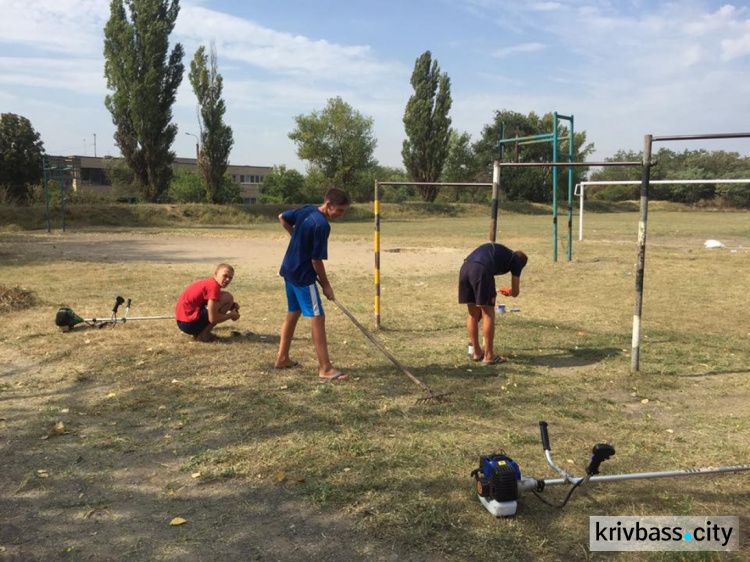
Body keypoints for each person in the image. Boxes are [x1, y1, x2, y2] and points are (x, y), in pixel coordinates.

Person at [275, 188, 351, 381]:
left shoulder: (307, 210)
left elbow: (282, 217)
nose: (341, 215)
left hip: (289, 269)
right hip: (302, 275)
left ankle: (282, 358)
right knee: (317, 317)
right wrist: (326, 285)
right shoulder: (321, 226)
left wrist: (296, 239)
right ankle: (325, 368)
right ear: (328, 205)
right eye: (339, 210)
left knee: (294, 312)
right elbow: (316, 261)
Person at [458, 243, 527, 365]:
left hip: (465, 267)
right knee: (488, 313)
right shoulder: (517, 261)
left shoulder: (505, 253)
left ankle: (477, 352)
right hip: (481, 270)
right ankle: (489, 355)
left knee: (473, 314)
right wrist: (510, 292)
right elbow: (515, 292)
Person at [175, 263, 240, 342]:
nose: (227, 280)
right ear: (216, 273)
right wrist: (231, 315)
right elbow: (213, 319)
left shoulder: (210, 283)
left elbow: (207, 303)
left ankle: (200, 333)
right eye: (225, 276)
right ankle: (203, 335)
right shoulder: (213, 287)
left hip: (182, 322)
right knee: (228, 297)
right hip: (189, 323)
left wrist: (231, 306)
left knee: (227, 299)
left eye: (230, 278)